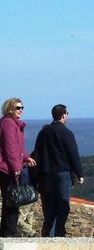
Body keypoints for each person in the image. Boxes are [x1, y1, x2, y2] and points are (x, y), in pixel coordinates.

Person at [31, 104, 84, 237]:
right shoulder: (66, 133)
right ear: (63, 115)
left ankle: (47, 234)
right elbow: (73, 154)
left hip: (44, 176)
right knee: (62, 206)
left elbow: (36, 153)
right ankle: (57, 235)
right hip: (61, 174)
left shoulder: (43, 133)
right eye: (67, 113)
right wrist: (80, 174)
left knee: (49, 208)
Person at [0, 98, 37, 237]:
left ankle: (7, 232)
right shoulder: (8, 123)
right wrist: (16, 167)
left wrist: (26, 157)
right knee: (12, 201)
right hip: (6, 168)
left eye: (22, 107)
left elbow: (18, 148)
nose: (21, 110)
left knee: (12, 201)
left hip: (8, 167)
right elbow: (10, 148)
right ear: (10, 109)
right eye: (17, 108)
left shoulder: (12, 123)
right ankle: (9, 233)